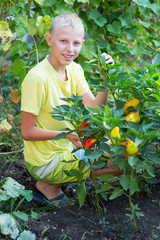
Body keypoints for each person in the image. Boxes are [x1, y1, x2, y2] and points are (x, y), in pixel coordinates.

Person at [21, 12, 120, 207]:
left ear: (82, 43)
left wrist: (105, 79)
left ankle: (60, 180)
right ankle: (49, 185)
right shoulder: (38, 78)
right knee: (118, 158)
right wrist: (65, 134)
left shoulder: (74, 69)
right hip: (44, 160)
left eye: (76, 43)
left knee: (117, 146)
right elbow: (26, 131)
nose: (70, 49)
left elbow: (95, 107)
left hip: (67, 147)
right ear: (49, 40)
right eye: (63, 41)